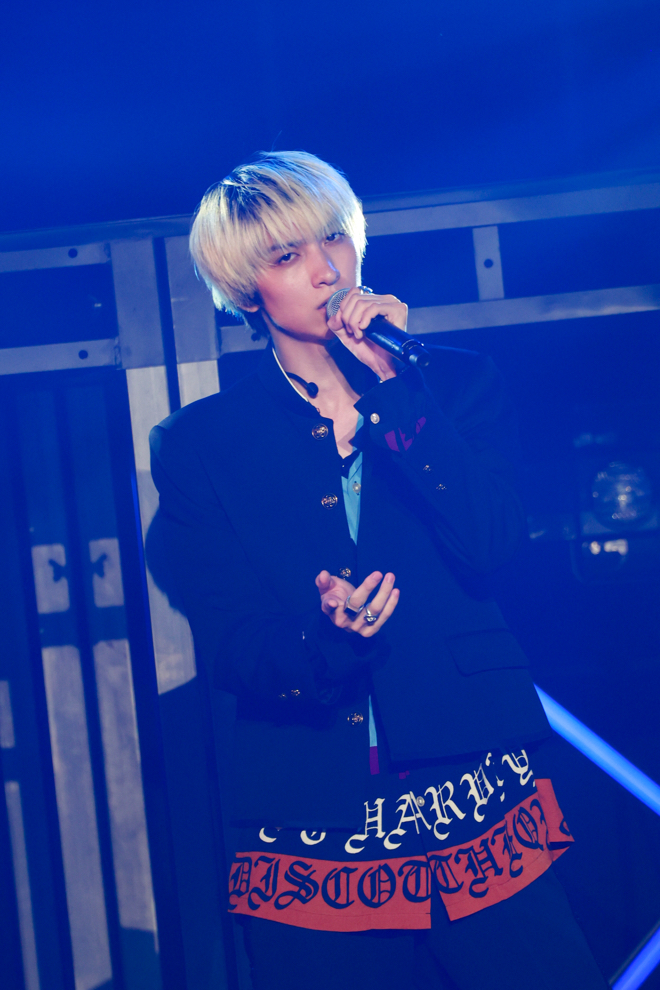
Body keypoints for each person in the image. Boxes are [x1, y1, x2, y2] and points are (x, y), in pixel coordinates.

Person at [150, 151, 607, 988]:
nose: (326, 270)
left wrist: (397, 387)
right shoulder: (201, 444)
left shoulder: (455, 386)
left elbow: (495, 544)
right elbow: (232, 641)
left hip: (468, 781)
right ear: (248, 290)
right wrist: (322, 635)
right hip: (311, 804)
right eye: (287, 255)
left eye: (334, 238)